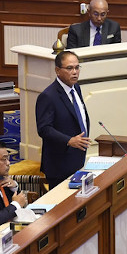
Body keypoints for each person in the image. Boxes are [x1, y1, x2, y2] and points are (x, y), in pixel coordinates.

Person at [35, 51, 91, 188]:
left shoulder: (76, 88)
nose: (75, 72)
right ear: (57, 71)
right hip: (59, 163)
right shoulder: (48, 96)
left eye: (77, 67)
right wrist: (69, 140)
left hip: (77, 158)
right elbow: (44, 129)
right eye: (70, 68)